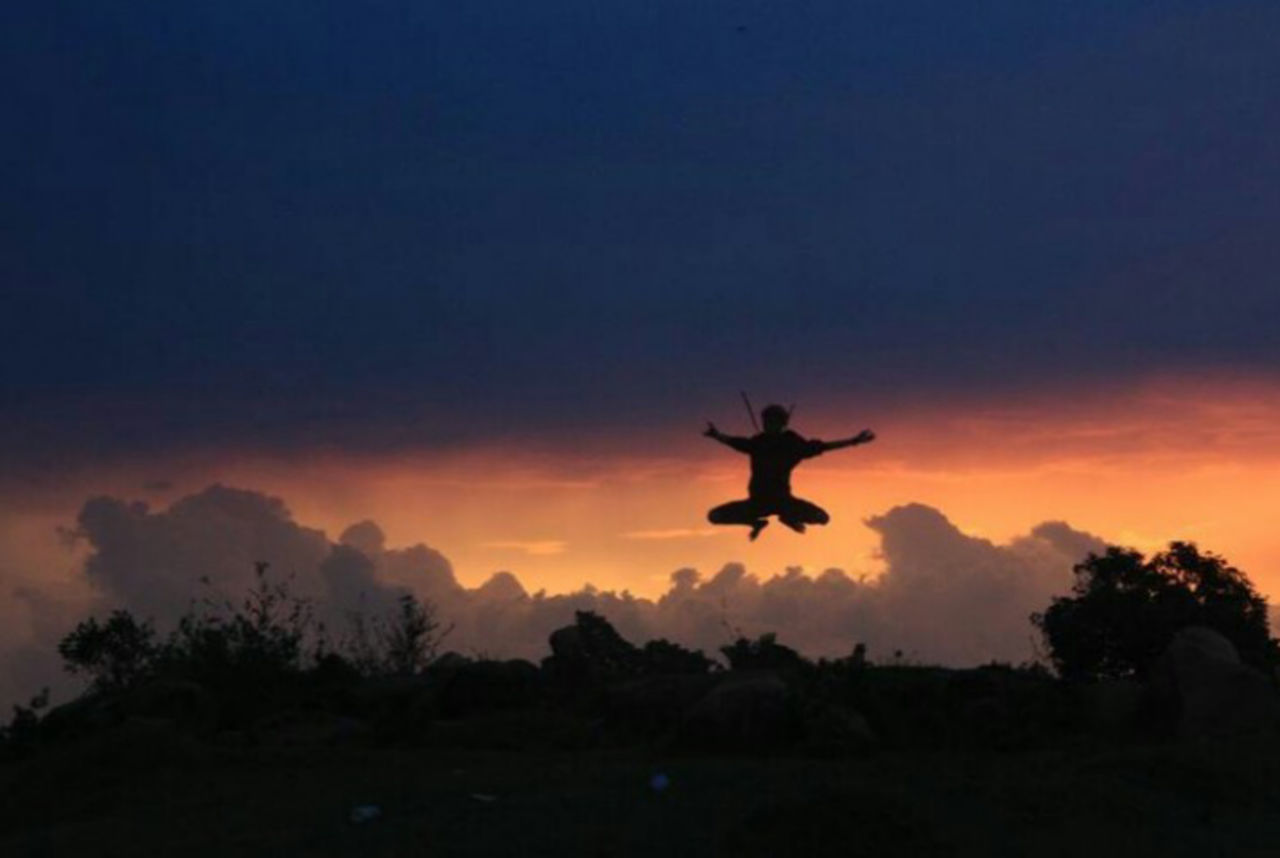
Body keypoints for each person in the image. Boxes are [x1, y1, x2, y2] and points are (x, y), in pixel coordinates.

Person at [704, 404, 875, 540]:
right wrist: (717, 435)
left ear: (782, 424)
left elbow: (823, 447)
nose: (768, 426)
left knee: (822, 518)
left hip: (784, 503)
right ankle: (755, 523)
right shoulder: (759, 443)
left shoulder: (791, 444)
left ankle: (788, 518)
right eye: (766, 422)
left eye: (772, 422)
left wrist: (853, 441)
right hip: (757, 504)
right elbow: (736, 442)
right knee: (714, 516)